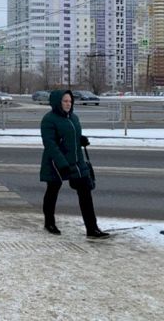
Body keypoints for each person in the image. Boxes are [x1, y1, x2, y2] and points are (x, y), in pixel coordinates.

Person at [40, 89, 109, 239]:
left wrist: (80, 139)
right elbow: (50, 144)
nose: (68, 104)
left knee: (85, 192)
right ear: (57, 102)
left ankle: (92, 228)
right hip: (56, 162)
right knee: (52, 191)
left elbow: (71, 135)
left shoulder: (74, 118)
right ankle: (49, 223)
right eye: (65, 101)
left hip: (76, 161)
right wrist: (62, 164)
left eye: (70, 101)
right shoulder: (49, 119)